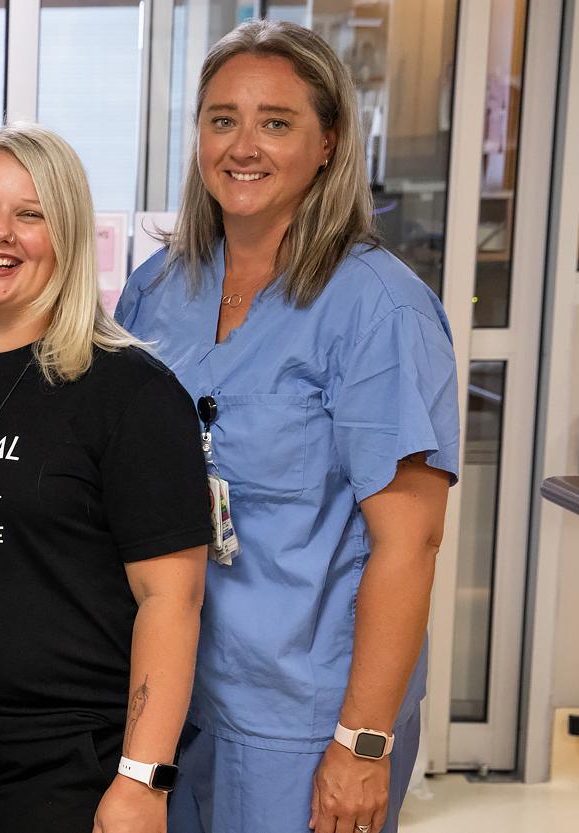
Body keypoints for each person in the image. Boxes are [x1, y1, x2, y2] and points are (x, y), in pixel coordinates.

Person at [115, 20, 459, 833]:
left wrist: (361, 744)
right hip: (168, 693)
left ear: (329, 142)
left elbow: (408, 543)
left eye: (276, 122)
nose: (243, 145)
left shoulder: (377, 308)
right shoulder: (155, 291)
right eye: (221, 118)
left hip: (300, 716)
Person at [0, 122, 210, 833]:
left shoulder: (129, 394)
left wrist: (141, 779)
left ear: (66, 237)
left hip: (68, 768)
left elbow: (170, 600)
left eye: (29, 215)